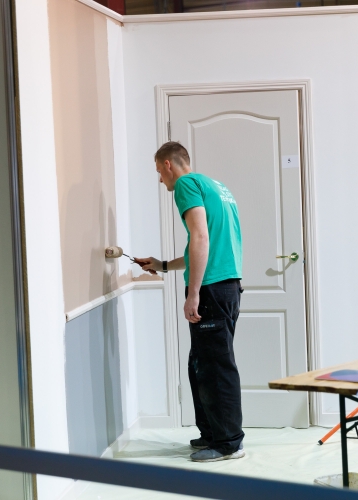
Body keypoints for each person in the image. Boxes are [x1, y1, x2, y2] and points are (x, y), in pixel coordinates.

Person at [135, 141, 245, 462]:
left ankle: (228, 443)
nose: (160, 179)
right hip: (227, 285)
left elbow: (200, 237)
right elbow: (205, 244)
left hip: (211, 288)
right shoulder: (217, 187)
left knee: (215, 367)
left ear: (168, 165)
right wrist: (163, 265)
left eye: (159, 171)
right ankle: (212, 433)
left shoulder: (185, 185)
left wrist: (193, 292)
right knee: (200, 364)